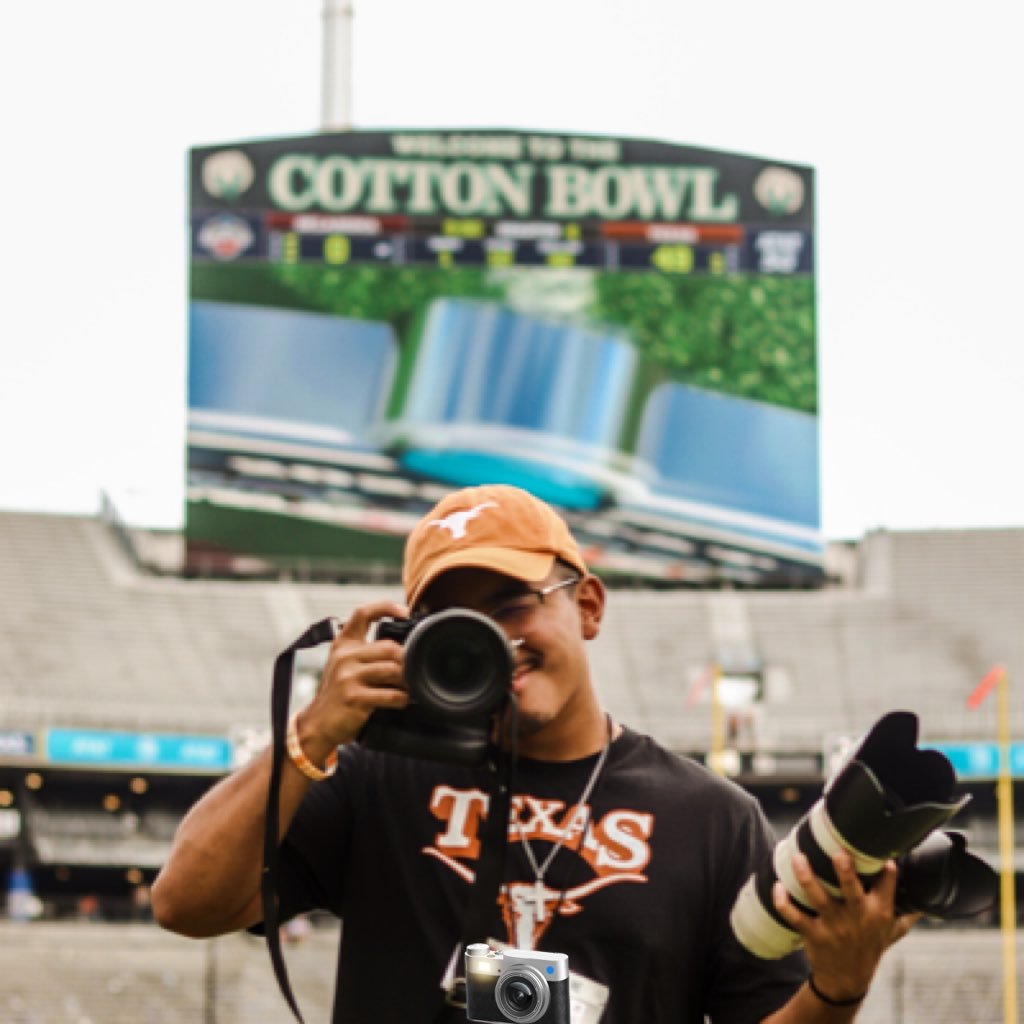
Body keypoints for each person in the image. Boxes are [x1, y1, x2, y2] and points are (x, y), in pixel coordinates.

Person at [152, 483, 917, 1023]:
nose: (497, 644)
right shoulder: (372, 776)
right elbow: (184, 903)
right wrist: (313, 731)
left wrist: (839, 990)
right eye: (453, 626)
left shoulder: (710, 817)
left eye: (513, 606)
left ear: (587, 606)